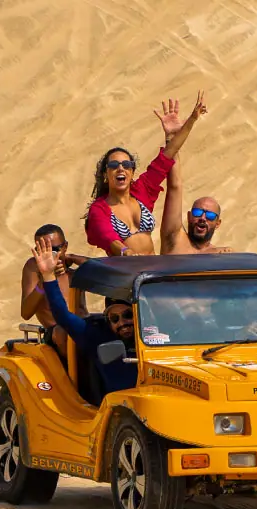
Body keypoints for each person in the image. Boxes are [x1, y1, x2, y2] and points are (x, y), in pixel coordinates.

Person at [84, 92, 208, 257]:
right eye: (114, 165)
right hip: (125, 273)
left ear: (131, 172)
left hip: (152, 270)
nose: (121, 168)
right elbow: (108, 237)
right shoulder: (100, 209)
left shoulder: (141, 191)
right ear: (106, 174)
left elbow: (167, 156)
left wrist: (190, 122)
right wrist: (125, 251)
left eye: (126, 165)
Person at [32, 236, 138, 394]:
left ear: (137, 316)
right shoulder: (98, 336)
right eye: (114, 319)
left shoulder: (153, 335)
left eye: (127, 315)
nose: (122, 322)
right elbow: (63, 316)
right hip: (117, 408)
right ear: (108, 322)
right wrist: (48, 276)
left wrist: (73, 258)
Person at [21, 224, 88, 352]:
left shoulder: (72, 271)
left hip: (82, 326)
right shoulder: (34, 267)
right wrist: (45, 280)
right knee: (63, 332)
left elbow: (105, 270)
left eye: (54, 249)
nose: (48, 255)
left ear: (65, 247)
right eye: (42, 250)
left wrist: (72, 258)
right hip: (57, 333)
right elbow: (25, 313)